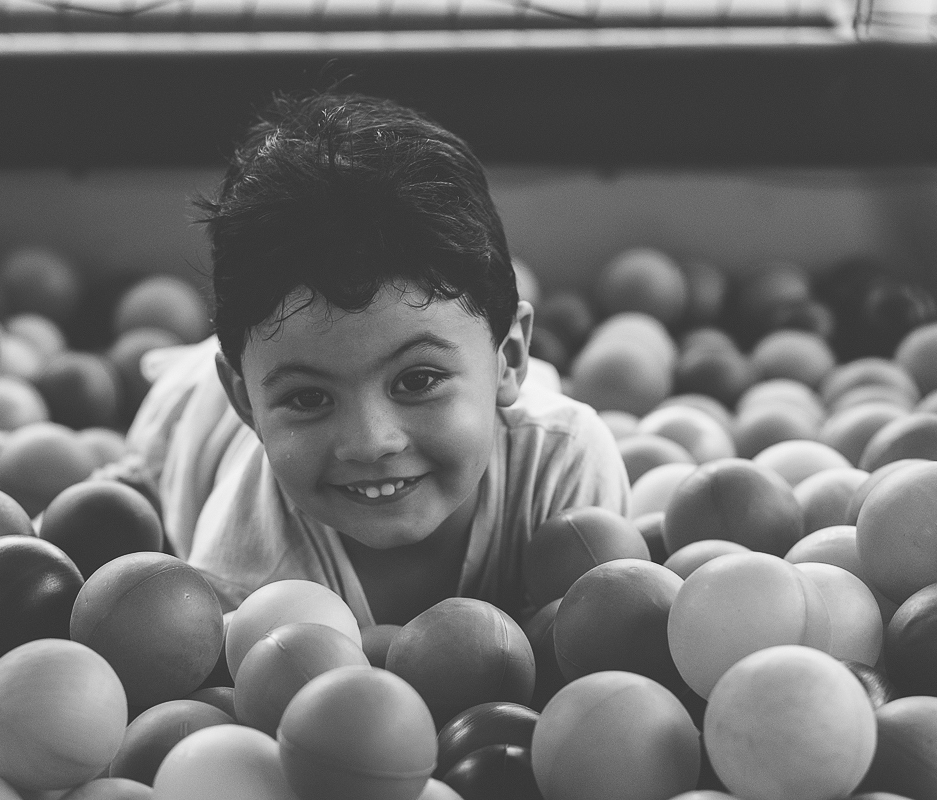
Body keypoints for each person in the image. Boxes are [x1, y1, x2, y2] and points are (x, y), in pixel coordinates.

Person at [116, 91, 629, 626]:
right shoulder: (246, 584)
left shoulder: (565, 467)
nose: (370, 442)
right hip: (196, 421)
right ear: (246, 403)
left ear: (512, 356)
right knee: (130, 494)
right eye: (308, 398)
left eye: (418, 380)